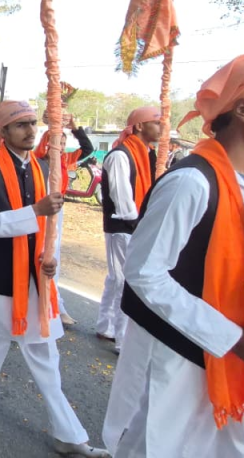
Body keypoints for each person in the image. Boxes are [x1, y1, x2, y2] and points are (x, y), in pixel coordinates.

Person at [102, 55, 244, 456]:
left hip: (233, 352)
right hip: (182, 352)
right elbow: (144, 273)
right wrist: (232, 338)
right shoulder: (191, 182)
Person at [0, 100, 109, 457]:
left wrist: (51, 256)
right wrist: (34, 211)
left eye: (32, 122)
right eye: (21, 124)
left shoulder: (44, 168)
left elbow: (52, 223)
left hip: (36, 276)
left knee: (45, 352)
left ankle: (69, 435)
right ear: (2, 131)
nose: (30, 130)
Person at [95, 106, 160, 350]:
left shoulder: (147, 154)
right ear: (140, 126)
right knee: (125, 281)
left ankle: (106, 326)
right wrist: (141, 225)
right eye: (156, 122)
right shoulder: (121, 156)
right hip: (124, 226)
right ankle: (122, 340)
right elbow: (123, 201)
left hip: (135, 225)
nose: (161, 128)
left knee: (118, 278)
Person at [36, 108, 95, 327]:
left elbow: (88, 149)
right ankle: (45, 305)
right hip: (38, 212)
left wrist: (75, 128)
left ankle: (56, 306)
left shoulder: (66, 159)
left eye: (62, 143)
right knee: (39, 256)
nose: (60, 147)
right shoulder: (37, 162)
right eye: (56, 142)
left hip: (56, 213)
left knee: (52, 259)